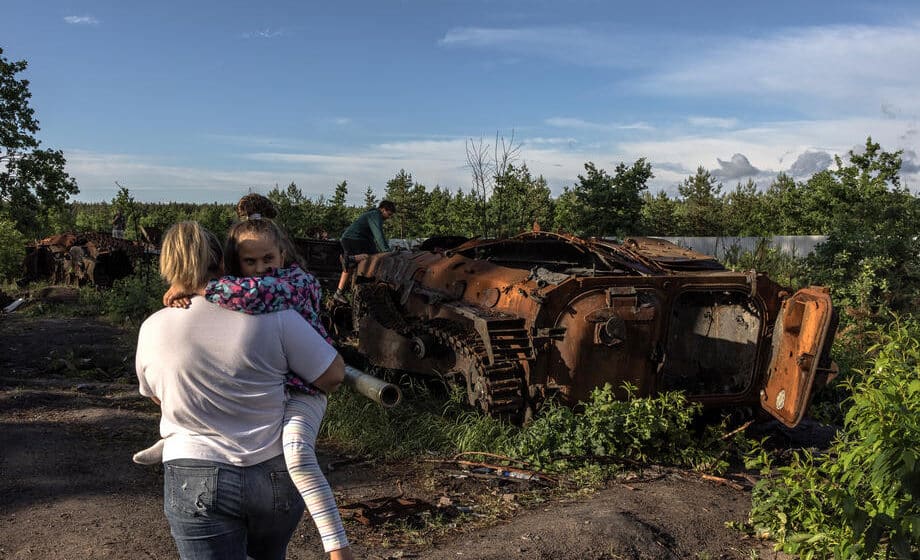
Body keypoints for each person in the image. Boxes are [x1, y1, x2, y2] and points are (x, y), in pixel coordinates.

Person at [136, 221, 351, 560]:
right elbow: (333, 376)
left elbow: (158, 396)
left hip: (193, 469)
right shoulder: (275, 314)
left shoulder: (152, 328)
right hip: (271, 471)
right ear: (224, 262)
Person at [333, 200, 396, 302]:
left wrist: (383, 251)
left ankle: (343, 291)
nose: (388, 217)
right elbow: (378, 235)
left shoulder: (372, 214)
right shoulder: (375, 215)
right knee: (358, 262)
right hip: (353, 239)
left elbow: (375, 238)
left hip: (360, 240)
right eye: (388, 214)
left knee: (373, 257)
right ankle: (348, 261)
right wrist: (387, 251)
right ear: (383, 209)